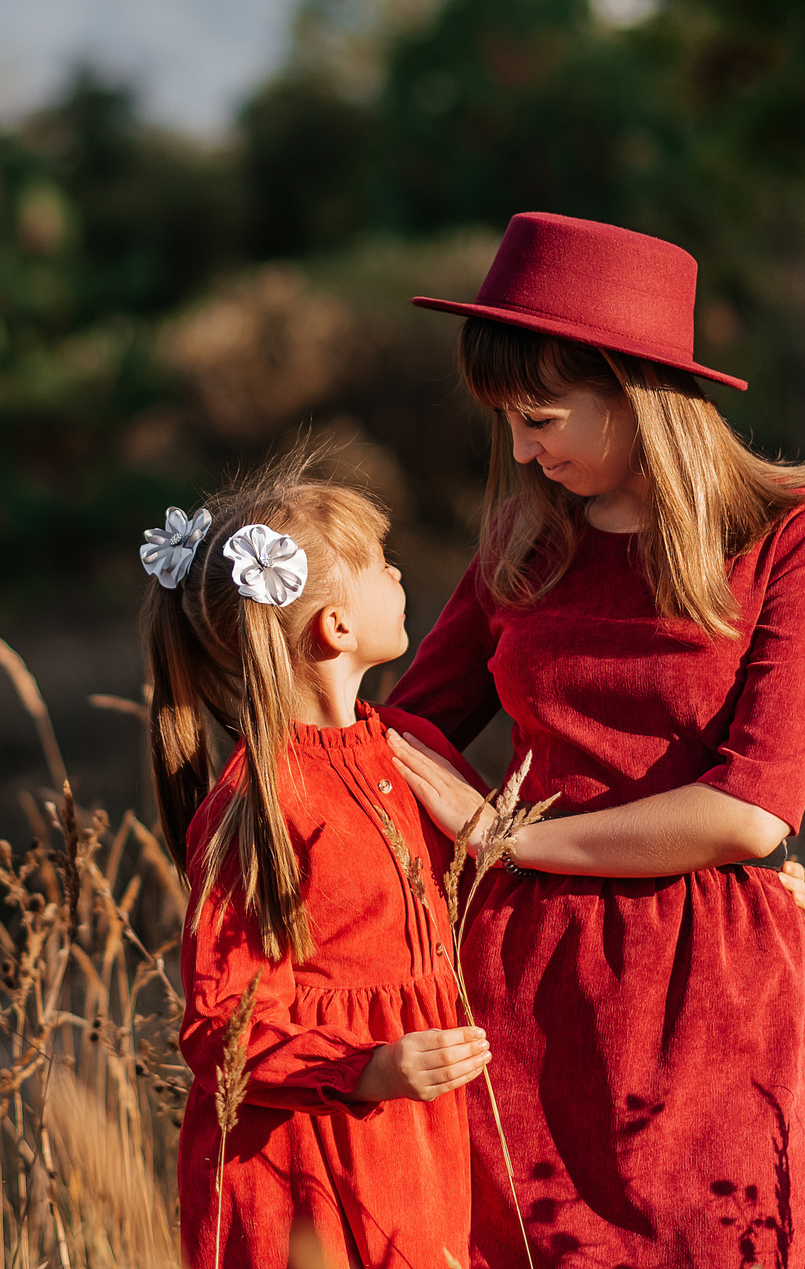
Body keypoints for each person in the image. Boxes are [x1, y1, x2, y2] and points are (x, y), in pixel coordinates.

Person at [386, 212, 805, 1269]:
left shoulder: (792, 537)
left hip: (710, 988)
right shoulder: (520, 541)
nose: (520, 449)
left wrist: (504, 837)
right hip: (514, 988)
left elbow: (749, 808)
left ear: (634, 388)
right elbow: (402, 732)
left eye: (541, 414)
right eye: (505, 418)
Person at [143, 457, 491, 1269]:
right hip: (307, 1164)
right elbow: (215, 1025)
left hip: (418, 1142)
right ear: (335, 625)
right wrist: (363, 1066)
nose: (401, 572)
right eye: (381, 563)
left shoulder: (410, 750)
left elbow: (505, 875)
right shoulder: (257, 803)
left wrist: (736, 878)